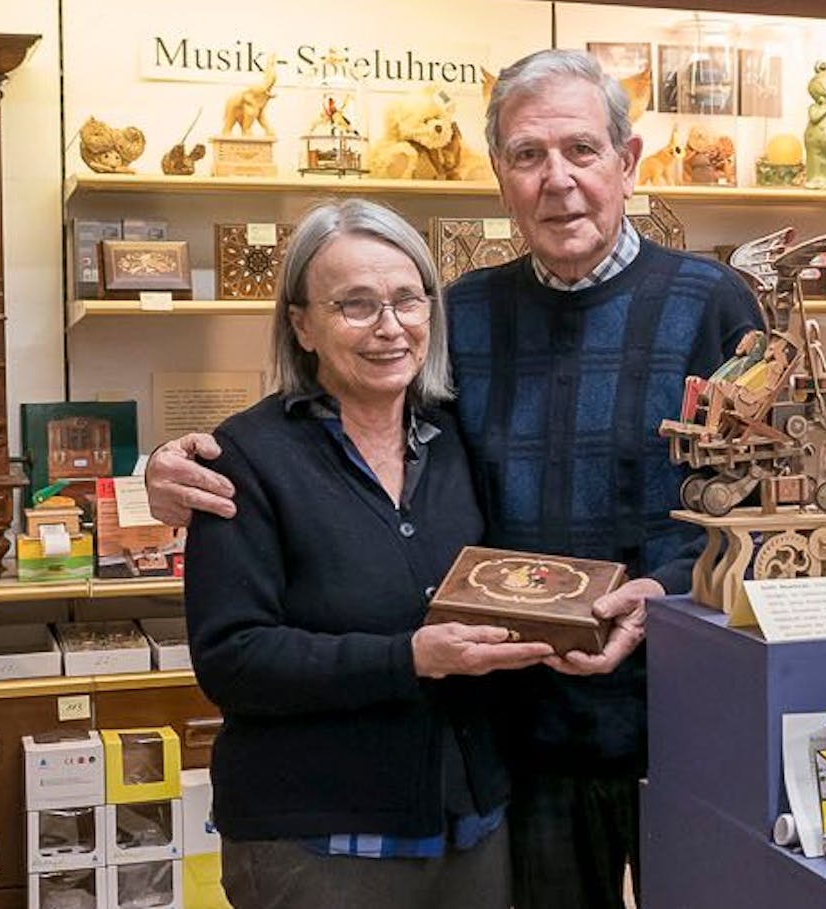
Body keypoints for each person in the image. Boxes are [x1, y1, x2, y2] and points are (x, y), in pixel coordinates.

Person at [151, 49, 762, 909]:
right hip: (519, 738)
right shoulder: (460, 314)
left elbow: (764, 497)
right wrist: (174, 466)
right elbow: (340, 417)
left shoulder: (716, 302)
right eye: (527, 155)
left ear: (627, 163)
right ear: (499, 176)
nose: (559, 181)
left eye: (581, 150)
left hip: (685, 715)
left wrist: (667, 591)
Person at [186, 198, 554, 909]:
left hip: (469, 831)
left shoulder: (456, 442)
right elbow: (232, 660)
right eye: (355, 305)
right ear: (302, 325)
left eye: (407, 300)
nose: (389, 327)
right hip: (318, 848)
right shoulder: (244, 459)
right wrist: (410, 657)